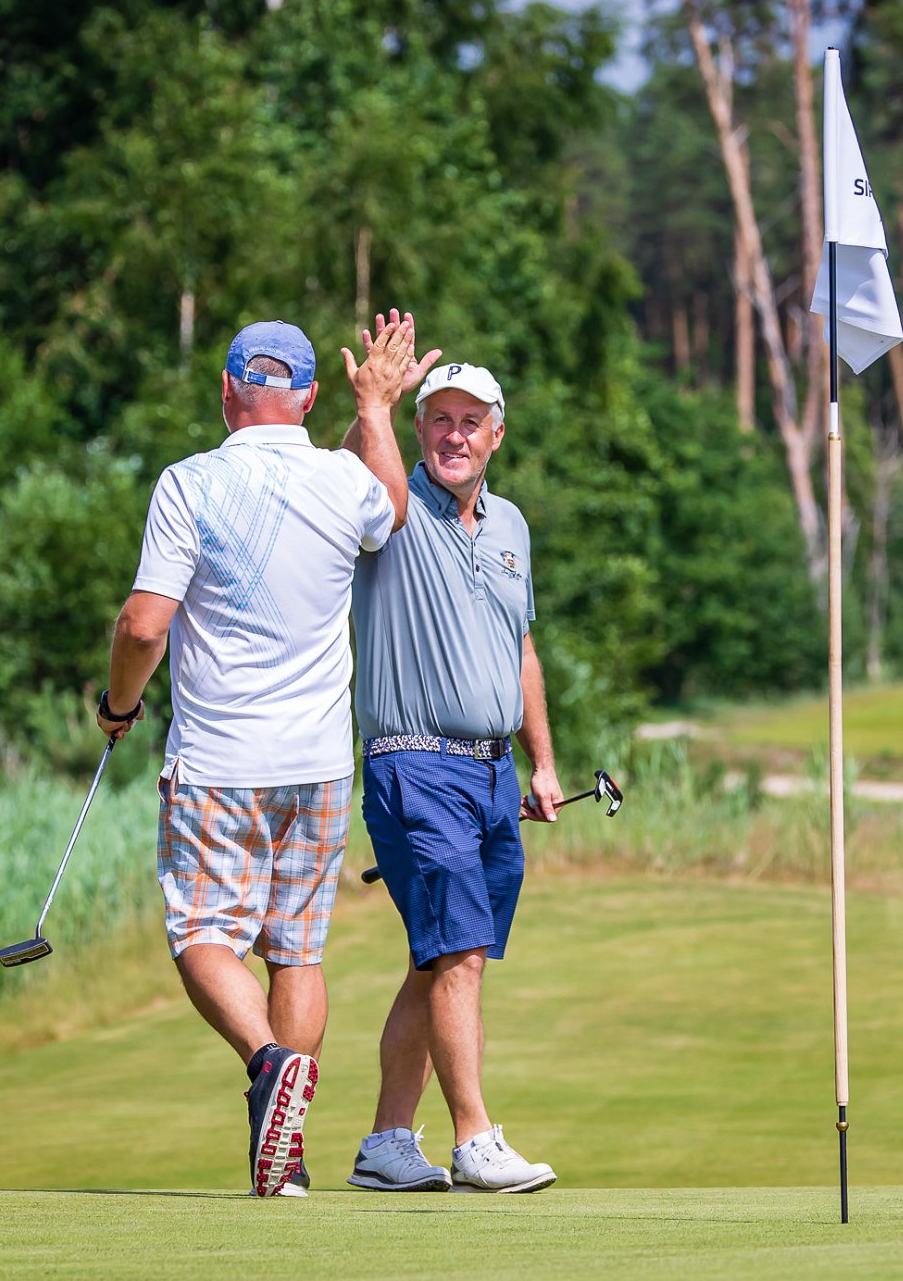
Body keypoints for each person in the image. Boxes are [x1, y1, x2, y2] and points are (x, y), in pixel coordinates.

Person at [95, 313, 433, 1198]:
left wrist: (116, 704)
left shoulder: (190, 482)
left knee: (204, 936)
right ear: (310, 397)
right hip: (319, 759)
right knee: (297, 951)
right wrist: (379, 410)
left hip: (219, 758)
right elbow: (392, 507)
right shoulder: (340, 478)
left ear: (225, 390)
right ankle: (284, 1163)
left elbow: (142, 624)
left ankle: (268, 1059)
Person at [345, 356, 565, 1194]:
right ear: (418, 429)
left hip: (493, 775)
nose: (454, 435)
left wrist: (543, 762)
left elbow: (521, 650)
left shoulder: (511, 525)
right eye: (439, 418)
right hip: (413, 760)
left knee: (438, 959)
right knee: (459, 951)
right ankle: (475, 1138)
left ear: (496, 434)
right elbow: (353, 474)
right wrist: (371, 405)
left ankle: (385, 1143)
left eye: (471, 421)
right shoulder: (391, 503)